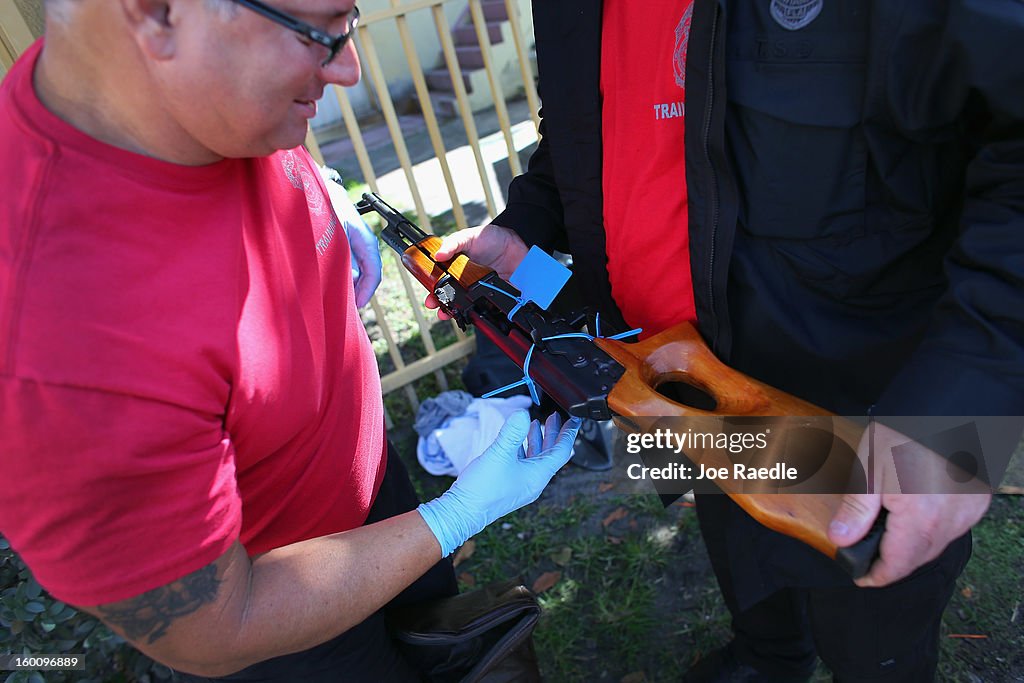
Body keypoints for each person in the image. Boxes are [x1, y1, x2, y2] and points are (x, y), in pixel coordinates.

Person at [429, 1, 1024, 681]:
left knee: (871, 622)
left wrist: (962, 408)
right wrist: (527, 226)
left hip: (869, 401)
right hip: (671, 375)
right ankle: (769, 655)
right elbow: (582, 128)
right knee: (739, 550)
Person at [0, 1, 581, 681]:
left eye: (352, 20)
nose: (348, 68)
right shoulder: (53, 347)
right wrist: (457, 515)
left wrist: (319, 191)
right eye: (322, 31)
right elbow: (213, 628)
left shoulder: (189, 99)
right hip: (289, 636)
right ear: (157, 12)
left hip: (378, 519)